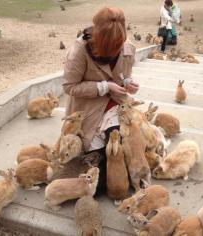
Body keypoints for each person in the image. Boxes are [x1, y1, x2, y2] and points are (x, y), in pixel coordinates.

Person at [63, 6, 139, 194]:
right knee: (96, 184)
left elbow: (123, 76)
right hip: (88, 109)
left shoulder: (127, 48)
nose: (116, 50)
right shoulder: (80, 51)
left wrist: (128, 83)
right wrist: (104, 86)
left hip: (115, 103)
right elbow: (69, 86)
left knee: (121, 147)